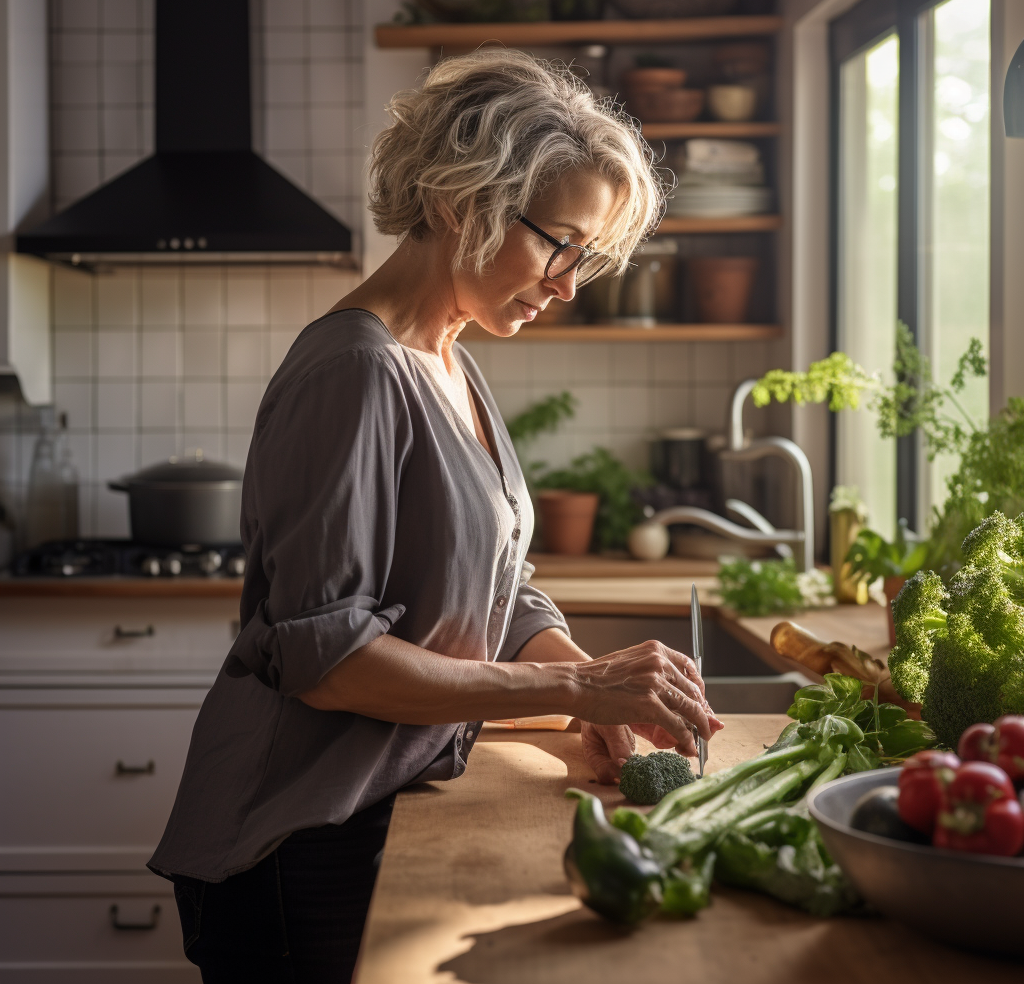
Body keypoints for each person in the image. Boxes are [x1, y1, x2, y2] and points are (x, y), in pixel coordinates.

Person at [150, 49, 723, 983]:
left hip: (385, 806)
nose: (570, 283)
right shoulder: (355, 371)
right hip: (298, 837)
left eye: (588, 254)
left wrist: (597, 687)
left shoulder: (449, 358)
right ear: (464, 201)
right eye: (557, 243)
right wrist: (574, 693)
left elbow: (501, 585)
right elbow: (329, 661)